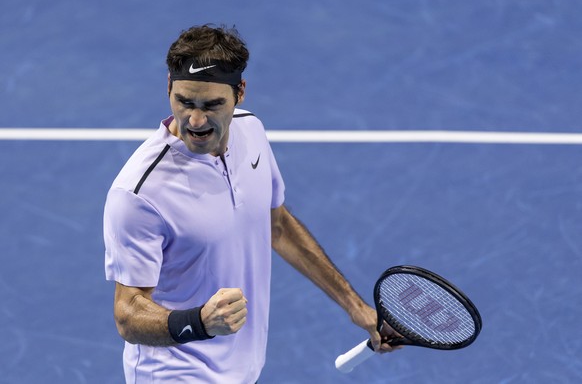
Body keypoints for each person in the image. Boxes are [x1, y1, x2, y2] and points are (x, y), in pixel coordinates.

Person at [103, 24, 400, 383]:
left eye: (212, 105)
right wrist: (198, 322)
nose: (195, 121)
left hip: (243, 367)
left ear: (239, 92)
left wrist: (356, 308)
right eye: (184, 102)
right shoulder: (139, 194)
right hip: (175, 373)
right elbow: (127, 313)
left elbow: (277, 226)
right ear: (169, 87)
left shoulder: (251, 132)